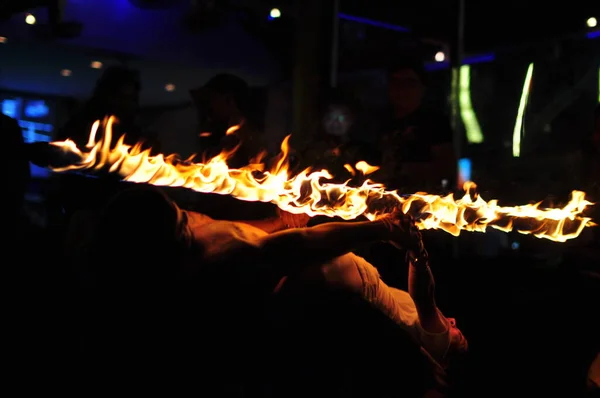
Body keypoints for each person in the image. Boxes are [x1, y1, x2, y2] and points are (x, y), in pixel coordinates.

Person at [87, 186, 467, 392]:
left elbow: (296, 246)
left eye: (456, 332)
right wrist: (280, 221)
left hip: (311, 290)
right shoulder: (415, 329)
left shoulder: (412, 335)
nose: (454, 323)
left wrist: (391, 233)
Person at [378, 57, 456, 192]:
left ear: (422, 88)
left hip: (422, 200)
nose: (401, 89)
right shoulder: (378, 121)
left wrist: (402, 169)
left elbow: (446, 168)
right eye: (395, 82)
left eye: (409, 83)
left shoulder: (434, 122)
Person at [299, 88, 381, 184]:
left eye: (342, 118)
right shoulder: (311, 151)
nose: (335, 123)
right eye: (330, 118)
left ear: (352, 120)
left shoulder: (362, 153)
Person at [191, 73, 266, 169]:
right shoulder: (222, 129)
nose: (208, 106)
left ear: (228, 99)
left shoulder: (241, 134)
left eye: (212, 99)